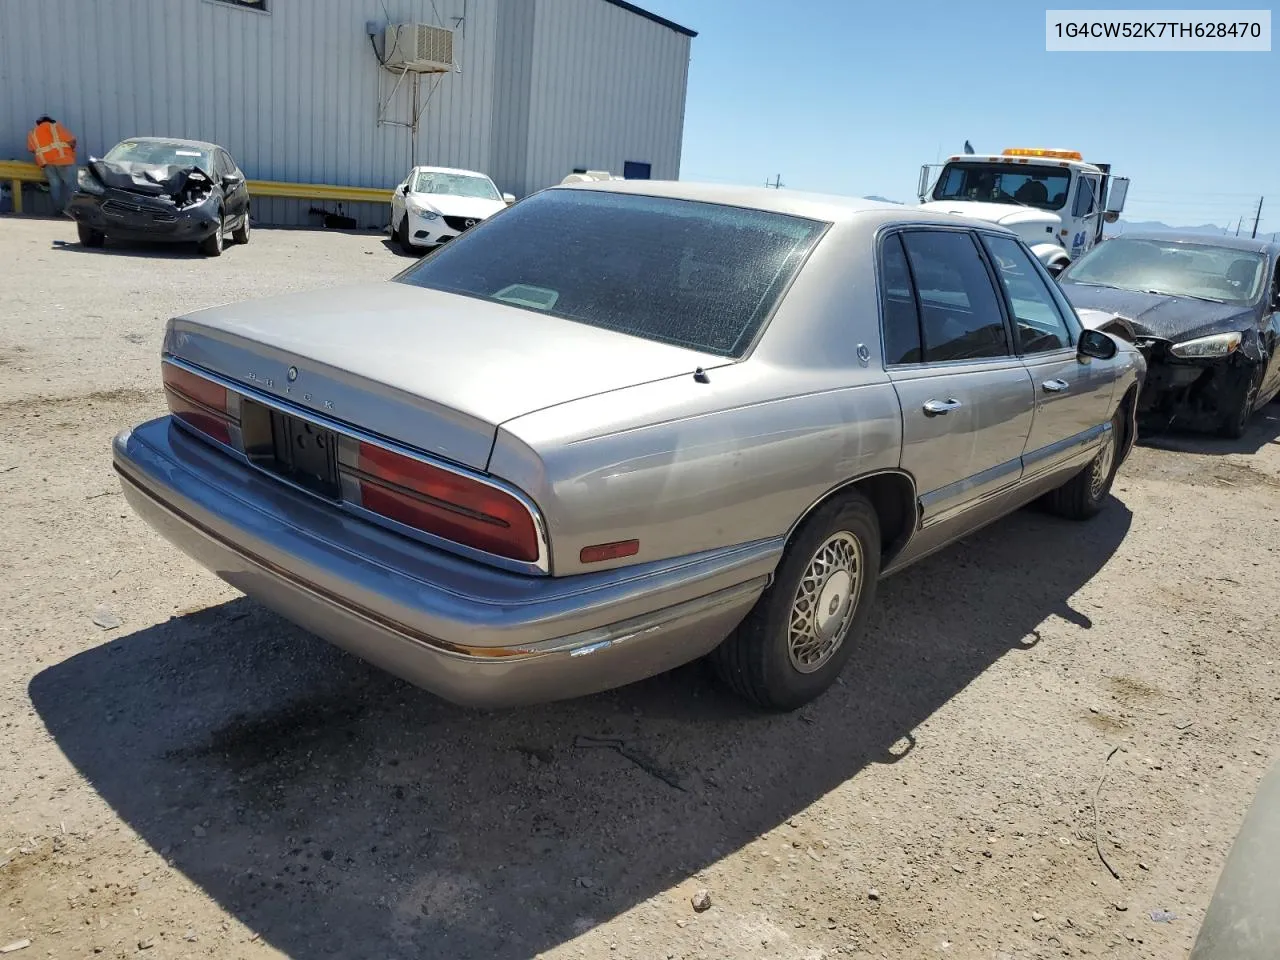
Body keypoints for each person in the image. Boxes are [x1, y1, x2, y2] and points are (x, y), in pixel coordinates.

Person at [26, 115, 78, 215]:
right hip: (63, 160)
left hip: (46, 163)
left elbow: (32, 149)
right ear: (50, 121)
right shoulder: (54, 126)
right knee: (72, 186)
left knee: (55, 186)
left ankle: (58, 211)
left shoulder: (32, 133)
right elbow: (71, 141)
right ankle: (73, 211)